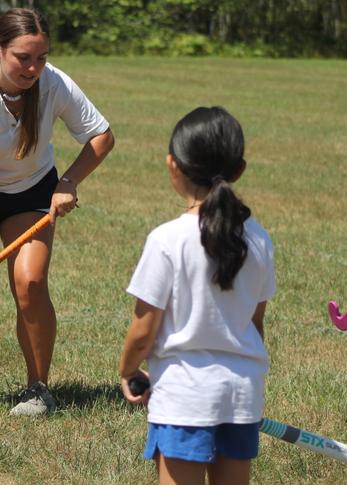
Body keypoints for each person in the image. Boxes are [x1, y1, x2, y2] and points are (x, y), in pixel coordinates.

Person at [0, 7, 114, 416]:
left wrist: (67, 182)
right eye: (23, 58)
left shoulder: (54, 85)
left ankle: (38, 389)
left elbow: (101, 136)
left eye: (42, 57)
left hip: (31, 190)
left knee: (30, 284)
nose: (34, 68)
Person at [118, 107, 276, 484]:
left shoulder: (166, 240)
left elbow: (143, 330)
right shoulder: (259, 239)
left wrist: (127, 371)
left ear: (174, 166)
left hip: (183, 397)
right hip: (241, 395)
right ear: (239, 170)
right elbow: (255, 323)